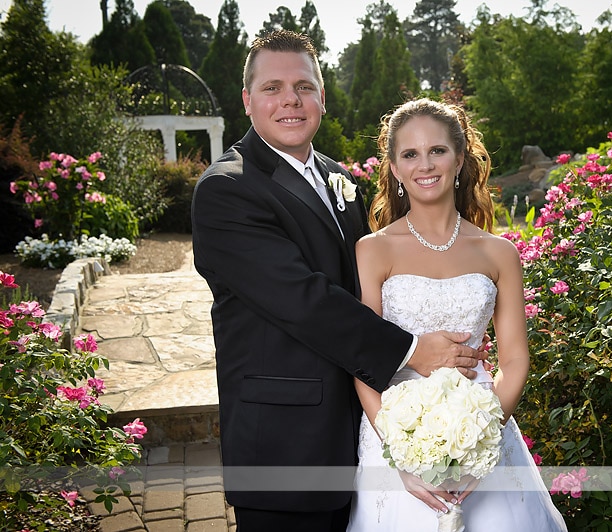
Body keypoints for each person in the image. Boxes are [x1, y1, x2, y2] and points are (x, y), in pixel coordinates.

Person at [191, 31, 486, 532]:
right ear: (247, 100)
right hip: (288, 447)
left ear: (322, 97)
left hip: (362, 434)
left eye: (304, 86)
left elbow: (377, 282)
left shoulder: (336, 176)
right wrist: (414, 348)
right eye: (273, 87)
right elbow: (303, 301)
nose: (291, 100)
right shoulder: (227, 190)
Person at [346, 98, 568, 531]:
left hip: (482, 424)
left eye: (438, 151)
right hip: (393, 438)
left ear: (460, 158)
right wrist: (403, 456)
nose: (424, 165)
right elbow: (362, 362)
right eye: (410, 154)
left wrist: (480, 444)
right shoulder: (372, 251)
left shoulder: (498, 252)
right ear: (393, 167)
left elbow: (514, 360)